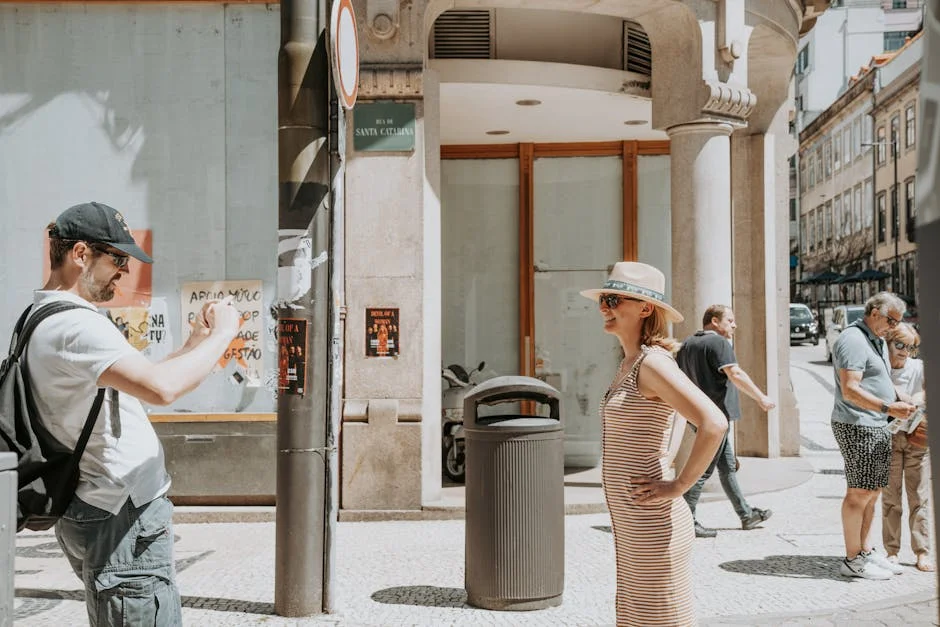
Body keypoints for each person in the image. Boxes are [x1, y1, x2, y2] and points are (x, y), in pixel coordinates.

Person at [28, 202, 241, 625]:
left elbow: (141, 384)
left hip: (101, 504)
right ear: (81, 254)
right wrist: (224, 334)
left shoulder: (44, 315)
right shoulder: (77, 326)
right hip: (119, 514)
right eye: (117, 259)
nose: (124, 271)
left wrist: (196, 342)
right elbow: (162, 389)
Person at [582, 262, 726, 626]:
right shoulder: (633, 361)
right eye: (603, 299)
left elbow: (714, 423)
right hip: (634, 522)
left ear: (645, 308)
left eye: (613, 299)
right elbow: (675, 422)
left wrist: (679, 485)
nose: (604, 307)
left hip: (653, 524)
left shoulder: (653, 364)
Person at [831, 291, 916, 580]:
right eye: (891, 321)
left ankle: (865, 551)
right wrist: (888, 406)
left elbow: (878, 381)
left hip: (875, 423)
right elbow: (850, 388)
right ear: (875, 312)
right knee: (859, 492)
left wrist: (901, 398)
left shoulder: (874, 339)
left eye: (897, 323)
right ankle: (852, 559)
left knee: (873, 491)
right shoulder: (853, 340)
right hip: (858, 423)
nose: (893, 328)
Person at [678, 305, 776, 538]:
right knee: (703, 469)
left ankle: (746, 514)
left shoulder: (687, 345)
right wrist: (761, 397)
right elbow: (736, 373)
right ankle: (685, 519)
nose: (734, 325)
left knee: (727, 466)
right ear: (714, 321)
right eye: (730, 320)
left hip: (698, 415)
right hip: (716, 417)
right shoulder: (719, 343)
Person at [882, 322, 934, 572]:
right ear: (888, 342)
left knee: (919, 497)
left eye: (910, 347)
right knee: (891, 498)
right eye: (899, 345)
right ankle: (891, 551)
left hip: (917, 438)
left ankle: (922, 552)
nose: (904, 351)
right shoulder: (881, 369)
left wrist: (917, 399)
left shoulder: (919, 368)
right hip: (889, 439)